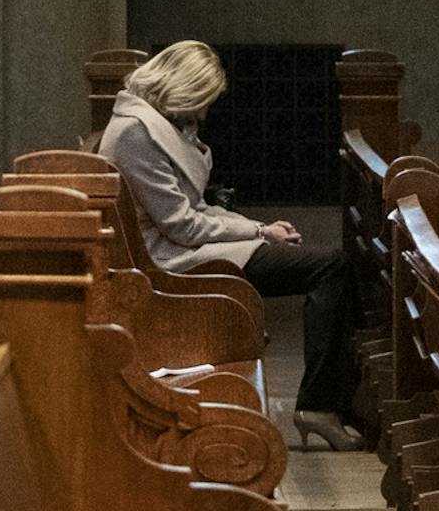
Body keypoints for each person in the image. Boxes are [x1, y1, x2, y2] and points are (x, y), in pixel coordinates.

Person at [98, 40, 363, 451]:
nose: (203, 113)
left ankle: (330, 402)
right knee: (329, 267)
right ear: (181, 89)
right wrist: (257, 234)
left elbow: (195, 208)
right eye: (201, 101)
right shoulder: (136, 132)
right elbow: (181, 225)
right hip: (171, 261)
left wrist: (261, 228)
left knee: (330, 265)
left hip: (180, 248)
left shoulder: (149, 123)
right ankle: (320, 406)